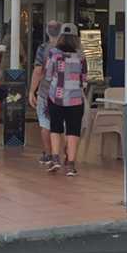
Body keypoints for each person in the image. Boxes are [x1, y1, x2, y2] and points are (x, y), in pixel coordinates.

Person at [43, 25, 87, 176]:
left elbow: (48, 76)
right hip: (75, 99)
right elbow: (84, 80)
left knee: (55, 127)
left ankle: (56, 159)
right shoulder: (81, 56)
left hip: (56, 97)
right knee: (73, 131)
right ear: (76, 38)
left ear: (60, 36)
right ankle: (71, 165)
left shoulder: (53, 54)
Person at [28, 20, 61, 166]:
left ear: (47, 31)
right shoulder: (71, 48)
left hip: (46, 91)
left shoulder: (43, 48)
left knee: (45, 123)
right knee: (63, 124)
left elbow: (38, 71)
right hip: (65, 93)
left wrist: (31, 91)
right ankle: (65, 155)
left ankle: (48, 154)